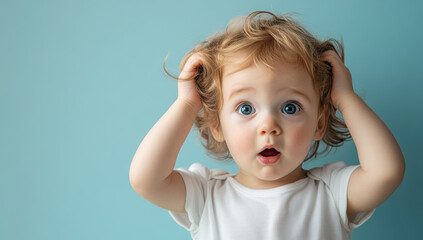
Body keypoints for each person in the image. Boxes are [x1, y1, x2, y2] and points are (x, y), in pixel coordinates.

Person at [129, 11, 405, 240]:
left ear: (319, 123)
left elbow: (386, 172)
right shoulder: (206, 196)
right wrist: (187, 105)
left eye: (290, 108)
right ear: (217, 125)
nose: (269, 126)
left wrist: (345, 98)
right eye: (246, 108)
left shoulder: (331, 193)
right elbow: (146, 180)